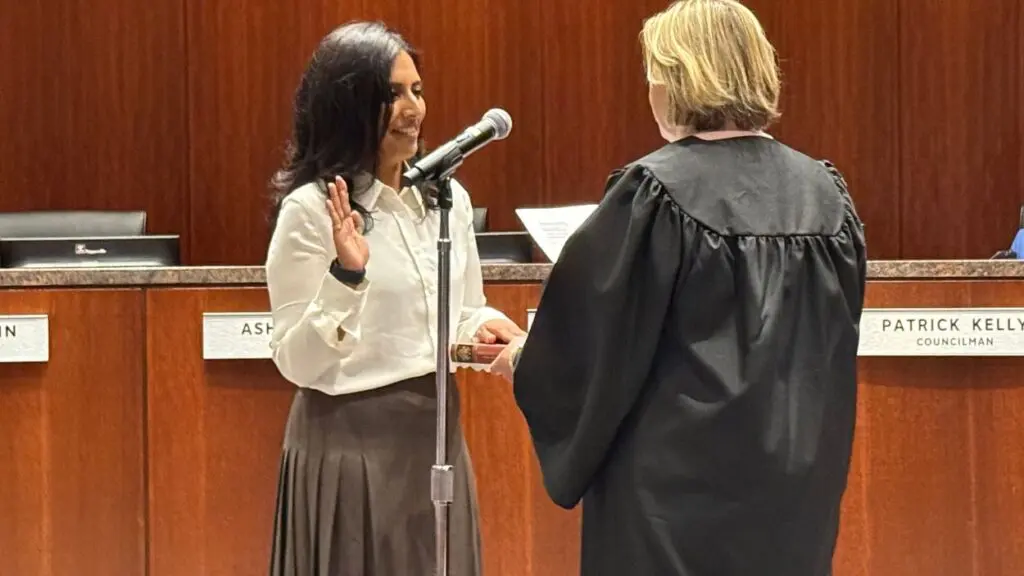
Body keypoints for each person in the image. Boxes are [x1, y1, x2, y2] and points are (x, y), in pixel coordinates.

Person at [491, 1, 867, 575]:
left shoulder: (656, 193)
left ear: (678, 79)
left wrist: (524, 357)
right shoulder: (828, 196)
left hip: (674, 502)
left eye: (652, 77)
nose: (649, 91)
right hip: (796, 490)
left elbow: (592, 345)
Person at [264, 21, 524, 576]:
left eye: (417, 91)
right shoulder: (313, 212)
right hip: (347, 445)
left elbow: (462, 309)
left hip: (434, 434)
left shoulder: (447, 201)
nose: (413, 109)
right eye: (392, 95)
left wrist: (483, 328)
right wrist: (347, 276)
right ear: (348, 106)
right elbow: (295, 360)